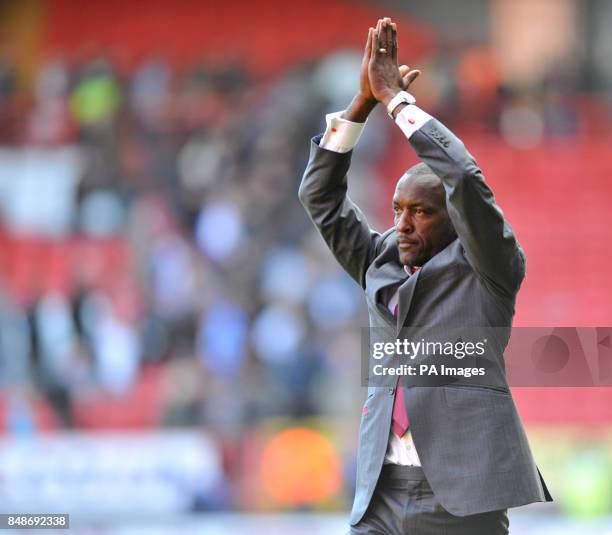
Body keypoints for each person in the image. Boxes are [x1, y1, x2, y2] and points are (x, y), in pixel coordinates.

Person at [298, 17, 553, 535]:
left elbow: (463, 177)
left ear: (454, 217)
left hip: (460, 496)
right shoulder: (381, 262)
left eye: (421, 211)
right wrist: (361, 107)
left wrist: (398, 103)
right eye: (396, 209)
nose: (402, 223)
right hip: (382, 494)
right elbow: (319, 198)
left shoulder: (490, 268)